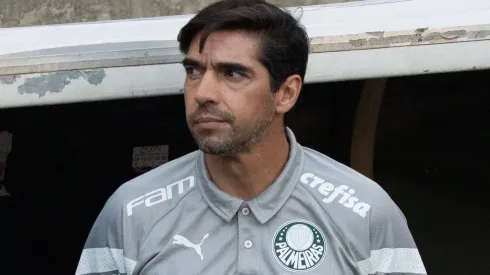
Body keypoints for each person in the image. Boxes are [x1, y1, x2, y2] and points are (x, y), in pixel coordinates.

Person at [75, 0, 427, 274]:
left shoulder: (366, 212)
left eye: (232, 73)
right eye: (194, 71)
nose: (203, 93)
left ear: (286, 93)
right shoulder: (130, 211)